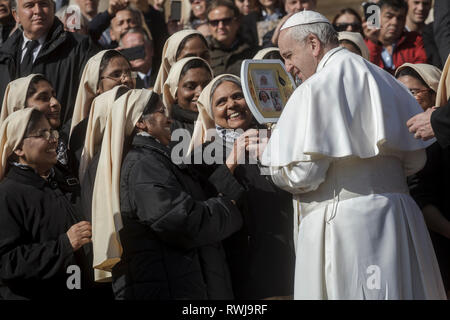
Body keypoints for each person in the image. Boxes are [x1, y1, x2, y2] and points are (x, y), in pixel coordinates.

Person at [259, 10, 446, 299]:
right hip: (399, 215)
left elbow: (302, 174)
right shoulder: (389, 82)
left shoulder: (315, 89)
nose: (287, 67)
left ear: (313, 44)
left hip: (347, 223)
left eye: (288, 55)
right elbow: (414, 161)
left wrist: (269, 156)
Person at [186, 74, 295, 299]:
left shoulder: (277, 139)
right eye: (221, 101)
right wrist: (233, 158)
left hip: (289, 252)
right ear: (210, 111)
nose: (232, 105)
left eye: (238, 96)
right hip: (241, 262)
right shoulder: (202, 156)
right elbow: (206, 206)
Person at [0, 108, 92, 299]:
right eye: (42, 134)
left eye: (52, 132)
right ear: (18, 148)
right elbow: (7, 262)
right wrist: (64, 245)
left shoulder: (64, 178)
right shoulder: (8, 194)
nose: (52, 139)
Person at [395, 63, 449, 297]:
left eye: (413, 92)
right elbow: (420, 197)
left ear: (435, 91)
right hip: (435, 245)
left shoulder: (438, 140)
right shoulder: (405, 143)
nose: (405, 100)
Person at [0, 0, 98, 124]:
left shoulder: (80, 47)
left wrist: (65, 137)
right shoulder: (4, 56)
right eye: (29, 5)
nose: (38, 11)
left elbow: (91, 101)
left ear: (53, 9)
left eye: (44, 4)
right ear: (16, 15)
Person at [68, 49, 136, 175]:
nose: (126, 79)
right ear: (97, 86)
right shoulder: (83, 131)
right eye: (116, 74)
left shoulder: (144, 118)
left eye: (128, 73)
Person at [0, 74, 70, 167]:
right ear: (20, 109)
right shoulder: (13, 177)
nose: (56, 103)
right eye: (43, 98)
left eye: (54, 96)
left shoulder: (66, 146)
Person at [364, 0, 427, 74]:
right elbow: (367, 71)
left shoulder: (415, 40)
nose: (395, 22)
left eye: (400, 18)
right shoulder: (364, 44)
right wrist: (373, 43)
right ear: (377, 18)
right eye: (389, 16)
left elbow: (420, 72)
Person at [162, 57, 213, 137]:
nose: (200, 92)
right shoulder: (167, 129)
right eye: (190, 87)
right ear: (174, 92)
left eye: (207, 86)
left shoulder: (226, 122)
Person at [206, 0, 259, 76]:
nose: (221, 26)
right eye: (215, 22)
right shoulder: (204, 53)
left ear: (237, 22)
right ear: (208, 25)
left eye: (226, 21)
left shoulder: (253, 52)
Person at [153, 29, 210, 94]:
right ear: (171, 63)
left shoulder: (221, 92)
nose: (200, 62)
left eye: (205, 56)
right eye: (190, 57)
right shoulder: (158, 103)